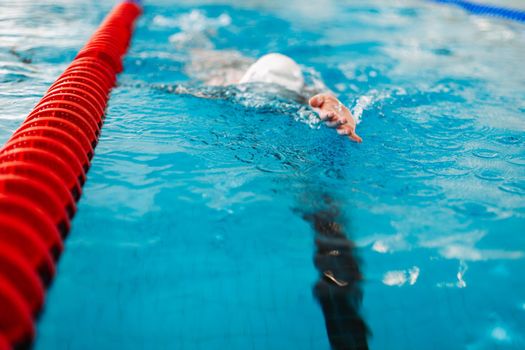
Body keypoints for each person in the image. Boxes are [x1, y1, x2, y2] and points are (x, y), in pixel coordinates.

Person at [184, 51, 363, 143]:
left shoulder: (304, 94)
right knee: (202, 56)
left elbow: (324, 101)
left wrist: (336, 107)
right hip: (222, 69)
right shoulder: (220, 83)